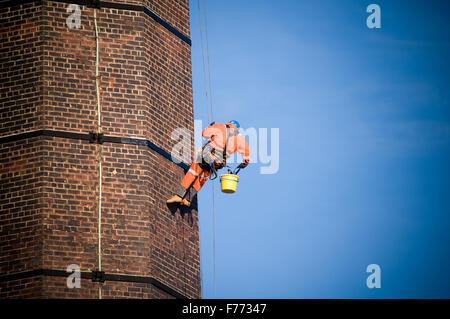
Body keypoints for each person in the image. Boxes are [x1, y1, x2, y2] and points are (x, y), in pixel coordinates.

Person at [166, 120, 250, 206]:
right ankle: (188, 199)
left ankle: (179, 195)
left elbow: (204, 133)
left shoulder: (220, 126)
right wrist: (245, 163)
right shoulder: (240, 138)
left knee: (193, 172)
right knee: (202, 178)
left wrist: (211, 127)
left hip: (208, 154)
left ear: (229, 123)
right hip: (219, 162)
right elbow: (247, 155)